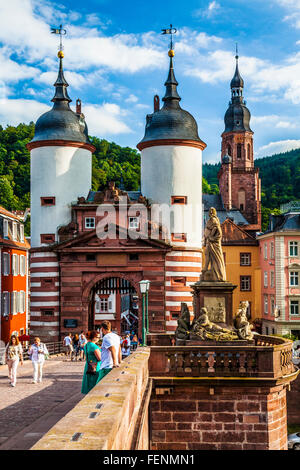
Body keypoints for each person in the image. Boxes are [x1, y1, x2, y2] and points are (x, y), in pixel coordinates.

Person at [81, 330, 101, 394]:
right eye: (98, 337)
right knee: (94, 381)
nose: (99, 339)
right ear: (94, 337)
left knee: (88, 382)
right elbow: (100, 358)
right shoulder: (94, 346)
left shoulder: (86, 345)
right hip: (95, 366)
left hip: (88, 365)